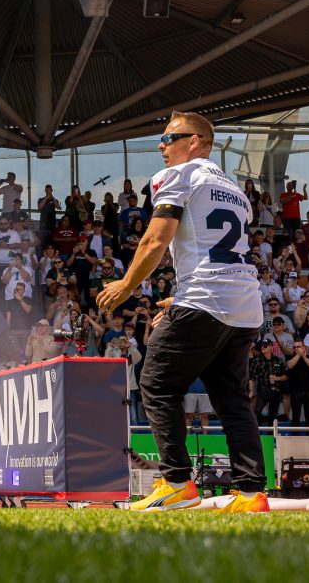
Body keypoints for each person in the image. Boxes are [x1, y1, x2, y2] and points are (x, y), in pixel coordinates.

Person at [97, 110, 268, 513]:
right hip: (244, 305)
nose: (162, 145)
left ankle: (176, 482)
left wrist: (126, 285)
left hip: (207, 298)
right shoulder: (236, 191)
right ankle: (250, 494)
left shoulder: (178, 176)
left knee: (156, 384)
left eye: (170, 137)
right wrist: (181, 295)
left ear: (196, 142)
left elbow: (156, 240)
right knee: (232, 400)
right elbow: (221, 250)